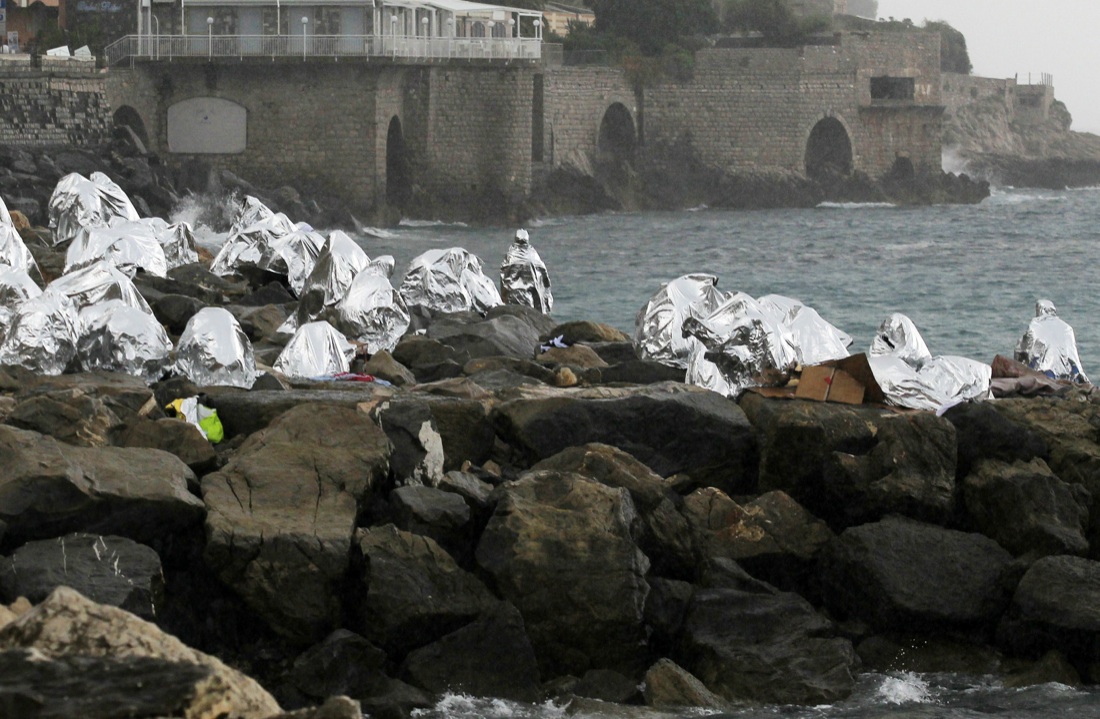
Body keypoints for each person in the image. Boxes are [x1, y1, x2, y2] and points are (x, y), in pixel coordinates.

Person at [1015, 299, 1089, 383]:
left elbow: (1024, 349)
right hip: (1068, 373)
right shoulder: (1067, 328)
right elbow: (1074, 357)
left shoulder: (1035, 325)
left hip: (1045, 372)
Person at [500, 228, 553, 314]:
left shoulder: (510, 255)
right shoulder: (533, 255)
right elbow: (544, 274)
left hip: (512, 296)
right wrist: (546, 297)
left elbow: (503, 276)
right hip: (530, 296)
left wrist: (503, 296)